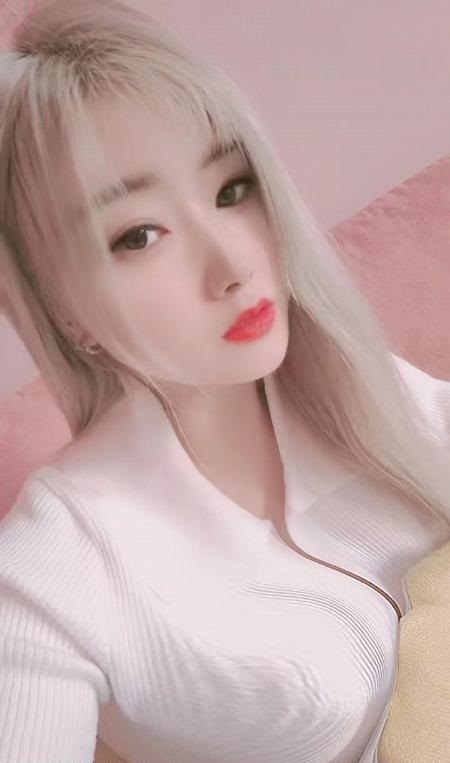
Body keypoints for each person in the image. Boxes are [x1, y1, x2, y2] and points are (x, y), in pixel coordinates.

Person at [0, 1, 449, 762]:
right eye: (139, 235)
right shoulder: (55, 576)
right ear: (62, 308)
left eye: (232, 189)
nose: (233, 264)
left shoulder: (356, 390)